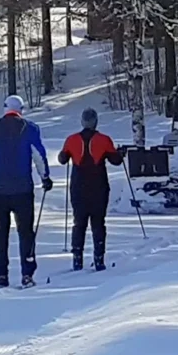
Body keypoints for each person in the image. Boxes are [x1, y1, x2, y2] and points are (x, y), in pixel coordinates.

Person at [0, 95, 52, 288]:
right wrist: (45, 177)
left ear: (5, 108)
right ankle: (27, 273)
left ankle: (1, 273)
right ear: (21, 109)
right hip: (22, 188)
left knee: (1, 230)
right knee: (26, 231)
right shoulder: (29, 128)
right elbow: (38, 155)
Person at [58, 107, 123, 271]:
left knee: (78, 223)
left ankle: (77, 259)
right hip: (99, 187)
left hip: (78, 188)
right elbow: (116, 161)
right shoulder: (104, 140)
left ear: (82, 122)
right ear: (96, 122)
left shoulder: (71, 140)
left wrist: (65, 154)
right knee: (98, 223)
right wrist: (121, 153)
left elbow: (62, 159)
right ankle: (99, 259)